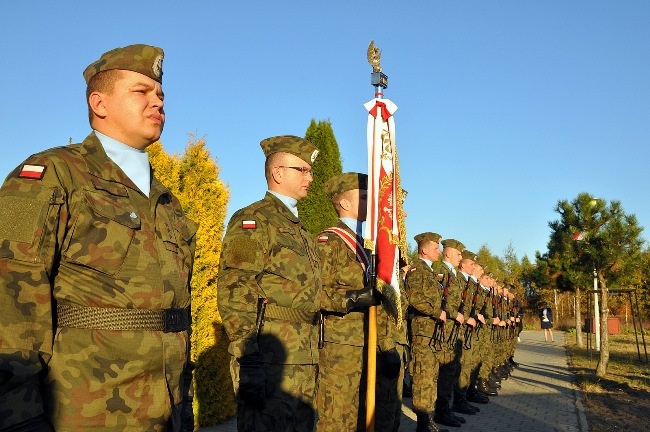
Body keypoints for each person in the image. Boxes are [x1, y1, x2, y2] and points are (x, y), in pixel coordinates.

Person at [0, 44, 197, 431]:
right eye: (140, 91)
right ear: (99, 103)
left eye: (160, 94)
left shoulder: (166, 201)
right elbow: (10, 292)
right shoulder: (50, 174)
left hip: (168, 410)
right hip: (87, 410)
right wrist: (18, 416)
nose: (157, 101)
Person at [218, 135, 322, 431]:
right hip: (269, 358)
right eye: (303, 170)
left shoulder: (300, 229)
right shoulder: (253, 220)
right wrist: (247, 356)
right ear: (278, 173)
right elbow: (236, 286)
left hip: (302, 355)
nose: (310, 178)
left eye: (310, 171)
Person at [315, 172, 380, 432]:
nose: (370, 202)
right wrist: (353, 298)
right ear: (344, 203)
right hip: (338, 345)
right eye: (364, 197)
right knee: (336, 416)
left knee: (363, 415)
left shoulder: (372, 244)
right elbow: (314, 293)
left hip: (369, 341)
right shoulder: (329, 241)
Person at [404, 232, 445, 432]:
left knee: (431, 376)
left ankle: (429, 420)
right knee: (422, 376)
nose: (439, 251)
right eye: (436, 248)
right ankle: (423, 423)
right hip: (422, 332)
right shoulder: (417, 270)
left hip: (432, 332)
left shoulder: (429, 272)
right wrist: (437, 312)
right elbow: (414, 298)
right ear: (424, 250)